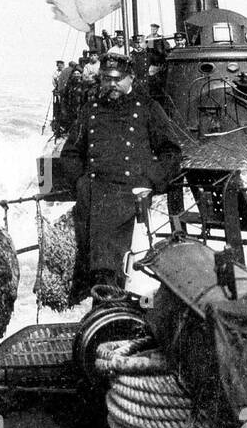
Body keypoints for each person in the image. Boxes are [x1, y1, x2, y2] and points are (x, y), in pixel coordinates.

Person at [62, 49, 182, 294]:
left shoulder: (147, 107)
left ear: (131, 79)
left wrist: (150, 182)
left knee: (108, 261)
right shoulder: (90, 108)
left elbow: (172, 152)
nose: (112, 84)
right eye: (107, 78)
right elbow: (71, 153)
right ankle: (103, 300)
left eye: (118, 79)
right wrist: (80, 183)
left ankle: (108, 303)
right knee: (93, 259)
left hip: (131, 192)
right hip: (94, 192)